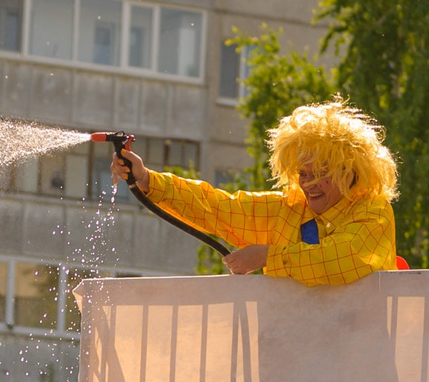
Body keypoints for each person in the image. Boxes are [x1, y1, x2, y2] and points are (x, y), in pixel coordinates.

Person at [112, 101, 399, 285]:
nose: (308, 184)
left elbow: (342, 260)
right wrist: (148, 180)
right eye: (303, 173)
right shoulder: (290, 208)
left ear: (349, 172)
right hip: (289, 363)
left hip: (359, 372)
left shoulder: (374, 211)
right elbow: (219, 208)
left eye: (321, 174)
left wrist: (267, 257)